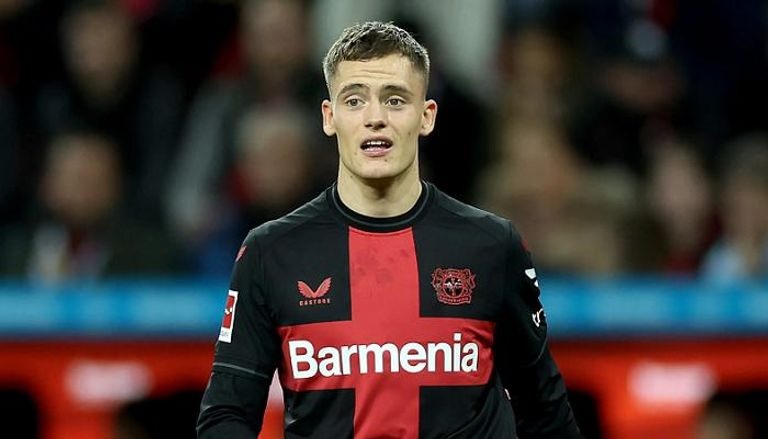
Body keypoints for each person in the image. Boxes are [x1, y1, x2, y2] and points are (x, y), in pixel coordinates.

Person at [197, 22, 581, 438]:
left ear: (426, 116)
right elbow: (226, 416)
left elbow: (546, 413)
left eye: (395, 100)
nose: (375, 118)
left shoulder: (492, 245)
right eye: (355, 100)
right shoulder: (271, 252)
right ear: (329, 117)